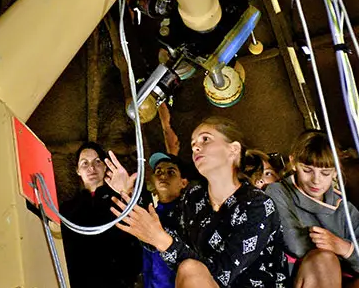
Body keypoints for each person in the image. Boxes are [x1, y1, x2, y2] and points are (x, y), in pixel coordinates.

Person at [114, 116, 287, 288]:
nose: (196, 147)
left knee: (190, 269)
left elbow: (220, 274)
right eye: (193, 144)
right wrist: (127, 194)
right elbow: (158, 232)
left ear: (233, 149)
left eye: (205, 139)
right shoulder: (194, 197)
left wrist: (163, 242)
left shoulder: (258, 205)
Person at [266, 131, 359, 288]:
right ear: (293, 163)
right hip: (298, 279)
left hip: (345, 280)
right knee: (324, 259)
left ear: (335, 172)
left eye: (325, 173)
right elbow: (297, 245)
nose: (316, 180)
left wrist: (346, 248)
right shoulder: (278, 192)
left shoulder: (345, 209)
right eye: (307, 170)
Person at [60, 141, 141, 288]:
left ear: (105, 167)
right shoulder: (66, 210)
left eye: (97, 161)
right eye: (84, 163)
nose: (91, 168)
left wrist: (127, 192)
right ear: (77, 170)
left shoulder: (121, 198)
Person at [140, 151, 190, 288]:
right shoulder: (151, 214)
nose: (163, 175)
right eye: (158, 171)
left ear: (183, 182)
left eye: (171, 172)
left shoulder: (190, 214)